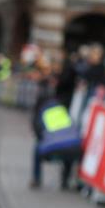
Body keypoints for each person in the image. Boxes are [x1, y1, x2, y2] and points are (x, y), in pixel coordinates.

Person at [30, 59, 81, 190]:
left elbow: (36, 126)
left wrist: (40, 137)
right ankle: (65, 180)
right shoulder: (63, 106)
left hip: (52, 141)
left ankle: (36, 179)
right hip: (67, 141)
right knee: (69, 147)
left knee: (37, 148)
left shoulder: (44, 106)